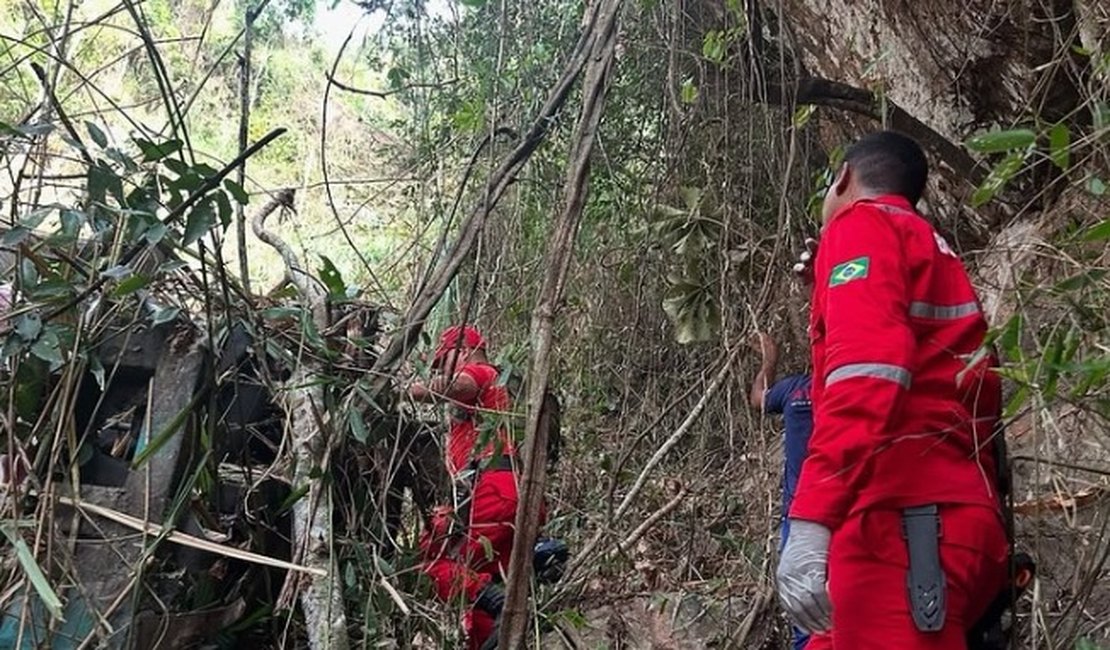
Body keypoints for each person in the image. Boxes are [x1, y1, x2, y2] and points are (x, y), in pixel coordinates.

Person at [775, 131, 1008, 650]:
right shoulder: (931, 248)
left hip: (905, 525)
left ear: (843, 179)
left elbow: (868, 373)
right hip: (944, 519)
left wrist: (811, 519)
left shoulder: (860, 224)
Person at [408, 325, 518, 650]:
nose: (442, 369)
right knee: (477, 581)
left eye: (443, 361)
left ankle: (500, 604)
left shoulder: (482, 371)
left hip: (490, 490)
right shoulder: (497, 390)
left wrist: (404, 391)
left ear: (463, 348)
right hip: (509, 496)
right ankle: (492, 633)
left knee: (430, 560)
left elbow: (462, 385)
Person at [748, 332, 812, 650]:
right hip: (839, 513)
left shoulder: (796, 389)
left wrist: (769, 360)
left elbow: (758, 398)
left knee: (805, 613)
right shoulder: (854, 388)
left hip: (800, 516)